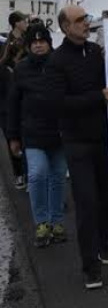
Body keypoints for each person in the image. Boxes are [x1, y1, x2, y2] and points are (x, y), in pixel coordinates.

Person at [47, 5, 108, 290]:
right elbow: (58, 104)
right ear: (65, 27)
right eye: (78, 21)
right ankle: (91, 266)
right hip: (77, 143)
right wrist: (97, 97)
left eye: (86, 18)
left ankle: (102, 242)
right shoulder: (56, 61)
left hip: (105, 140)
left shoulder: (97, 54)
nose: (85, 24)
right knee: (86, 204)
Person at [7, 25, 68, 248]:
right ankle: (42, 223)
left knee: (58, 176)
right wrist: (13, 136)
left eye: (42, 41)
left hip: (59, 134)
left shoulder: (60, 66)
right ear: (29, 46)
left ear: (50, 43)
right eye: (34, 42)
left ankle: (57, 222)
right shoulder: (21, 69)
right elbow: (12, 105)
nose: (39, 45)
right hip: (32, 134)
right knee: (37, 174)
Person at [2, 11, 30, 189]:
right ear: (16, 23)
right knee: (12, 135)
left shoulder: (30, 39)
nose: (26, 23)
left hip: (26, 92)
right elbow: (3, 62)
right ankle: (19, 173)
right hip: (8, 93)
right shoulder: (6, 42)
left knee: (27, 136)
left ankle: (28, 173)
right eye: (24, 21)